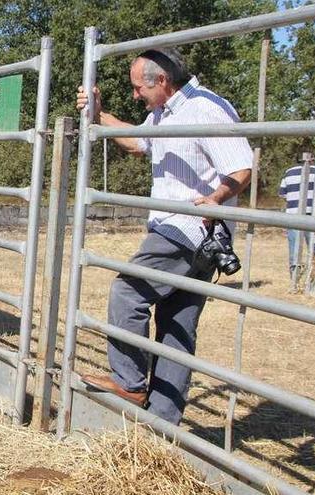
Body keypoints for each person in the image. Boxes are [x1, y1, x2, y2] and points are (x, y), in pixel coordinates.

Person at [75, 48, 253, 426]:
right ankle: (163, 421)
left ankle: (129, 382)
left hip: (187, 228)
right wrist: (98, 115)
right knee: (176, 324)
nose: (136, 95)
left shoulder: (206, 109)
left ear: (163, 82)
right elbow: (139, 142)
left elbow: (241, 166)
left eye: (140, 88)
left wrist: (215, 199)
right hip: (187, 231)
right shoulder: (165, 113)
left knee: (127, 293)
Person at [278, 153, 315, 281]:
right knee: (314, 244)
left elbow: (282, 194)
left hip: (293, 213)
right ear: (310, 159)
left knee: (294, 245)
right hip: (312, 212)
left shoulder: (288, 172)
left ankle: (295, 276)